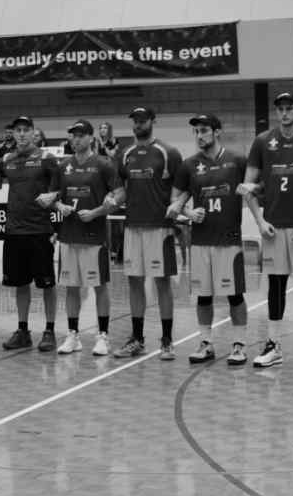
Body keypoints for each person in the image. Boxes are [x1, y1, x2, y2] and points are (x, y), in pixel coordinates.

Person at [168, 114, 248, 365]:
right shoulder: (188, 165)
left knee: (235, 295)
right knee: (203, 296)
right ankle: (206, 342)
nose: (199, 136)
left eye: (204, 130)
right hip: (201, 241)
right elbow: (174, 202)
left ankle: (239, 345)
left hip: (229, 240)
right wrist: (189, 213)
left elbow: (255, 188)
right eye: (196, 132)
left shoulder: (237, 160)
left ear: (217, 132)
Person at [106, 107, 182, 360]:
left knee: (162, 283)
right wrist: (112, 200)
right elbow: (121, 191)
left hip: (159, 228)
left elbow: (180, 189)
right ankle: (137, 339)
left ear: (152, 121)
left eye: (143, 120)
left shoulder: (168, 152)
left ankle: (167, 340)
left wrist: (178, 207)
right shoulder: (125, 154)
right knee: (134, 282)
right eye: (135, 120)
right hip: (132, 228)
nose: (138, 124)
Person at [238, 92, 293, 367]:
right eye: (280, 109)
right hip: (274, 225)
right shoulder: (263, 142)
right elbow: (247, 188)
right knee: (275, 286)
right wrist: (260, 222)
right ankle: (274, 346)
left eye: (289, 108)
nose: (284, 113)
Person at [51, 119, 115, 356]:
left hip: (94, 236)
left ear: (90, 138)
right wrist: (59, 206)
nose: (75, 139)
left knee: (99, 286)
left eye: (80, 135)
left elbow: (118, 194)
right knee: (71, 287)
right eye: (72, 135)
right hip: (68, 235)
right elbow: (52, 196)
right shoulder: (63, 166)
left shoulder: (103, 164)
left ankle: (103, 336)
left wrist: (98, 211)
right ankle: (73, 335)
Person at [0, 116, 58, 352]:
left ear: (34, 133)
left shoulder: (47, 159)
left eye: (26, 130)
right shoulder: (7, 159)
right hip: (14, 231)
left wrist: (54, 196)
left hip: (40, 231)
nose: (22, 134)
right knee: (20, 284)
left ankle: (50, 331)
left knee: (46, 285)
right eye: (18, 130)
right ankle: (23, 330)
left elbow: (59, 187)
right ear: (13, 134)